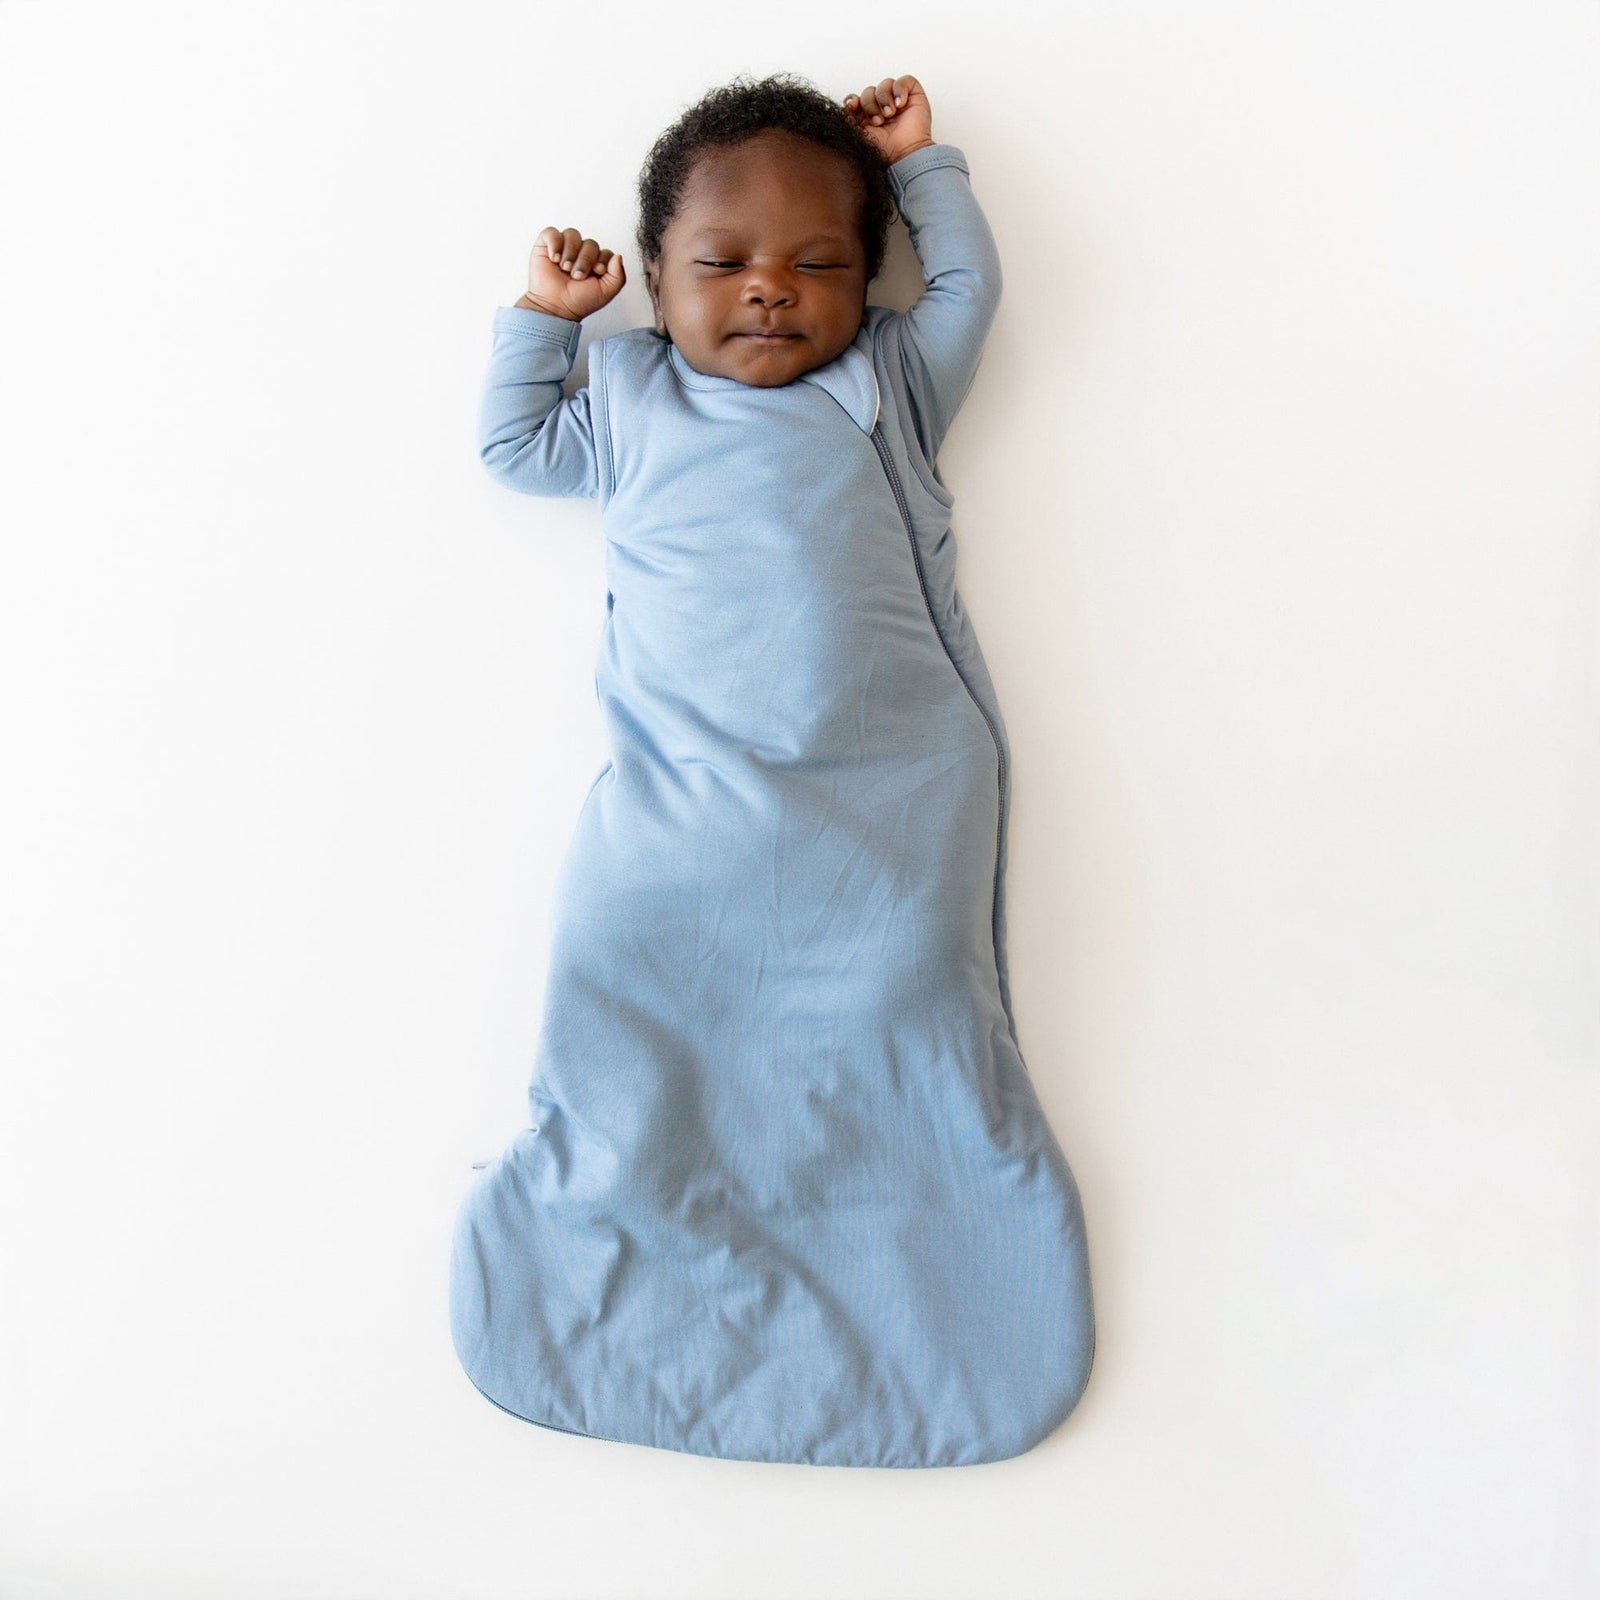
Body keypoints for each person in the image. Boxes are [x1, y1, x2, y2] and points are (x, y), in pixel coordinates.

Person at [452, 70, 1095, 1468]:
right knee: (621, 973)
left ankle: (920, 1265)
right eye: (723, 264)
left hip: (886, 793)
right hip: (680, 802)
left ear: (869, 286)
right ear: (656, 278)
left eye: (820, 265)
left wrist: (926, 169)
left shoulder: (885, 386)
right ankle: (617, 1231)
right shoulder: (624, 397)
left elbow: (969, 294)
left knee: (905, 1004)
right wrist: (544, 326)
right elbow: (509, 447)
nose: (768, 293)